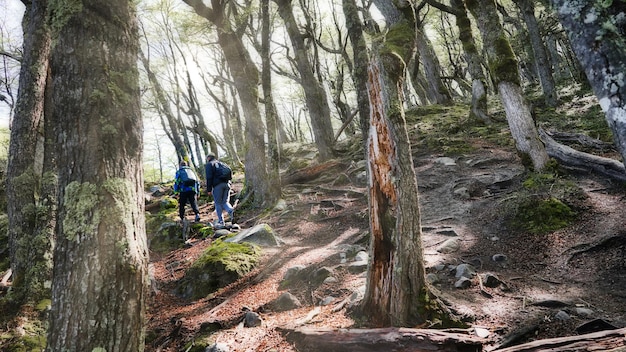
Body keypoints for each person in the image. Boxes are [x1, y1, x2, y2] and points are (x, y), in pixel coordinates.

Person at [205, 153, 234, 226]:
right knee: (225, 202)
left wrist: (209, 189)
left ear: (208, 158)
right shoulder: (222, 164)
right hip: (227, 184)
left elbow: (209, 177)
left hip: (218, 186)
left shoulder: (210, 165)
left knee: (218, 203)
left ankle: (221, 221)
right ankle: (231, 211)